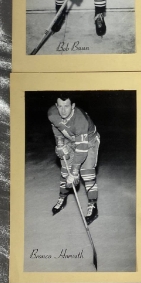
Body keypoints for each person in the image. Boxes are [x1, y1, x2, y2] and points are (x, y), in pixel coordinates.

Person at [48, 95, 100, 224]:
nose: (63, 110)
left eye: (66, 106)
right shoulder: (52, 113)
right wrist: (60, 144)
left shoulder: (80, 120)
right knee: (65, 172)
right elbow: (57, 127)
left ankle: (93, 205)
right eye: (60, 106)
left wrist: (75, 172)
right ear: (56, 106)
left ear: (73, 106)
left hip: (88, 142)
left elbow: (81, 150)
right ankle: (62, 197)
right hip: (69, 139)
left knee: (87, 174)